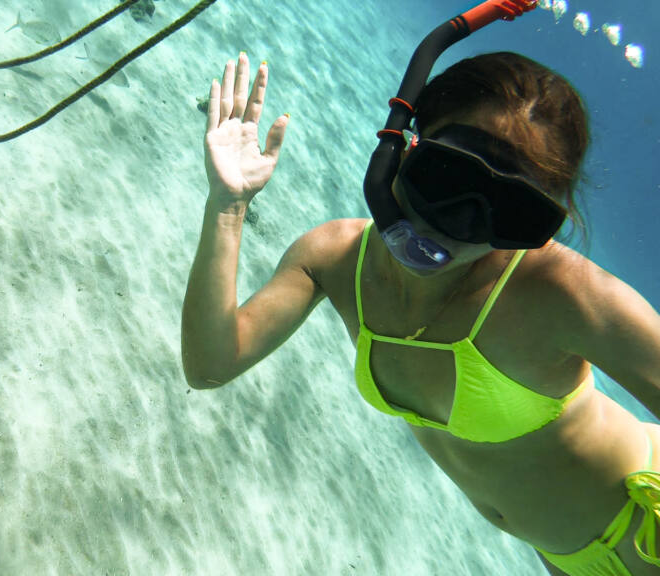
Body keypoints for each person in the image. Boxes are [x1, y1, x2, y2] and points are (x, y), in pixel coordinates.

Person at [181, 49, 660, 576]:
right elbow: (210, 365)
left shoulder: (563, 293)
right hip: (564, 560)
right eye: (446, 179)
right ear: (403, 148)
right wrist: (227, 205)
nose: (456, 227)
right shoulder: (333, 260)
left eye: (511, 211)